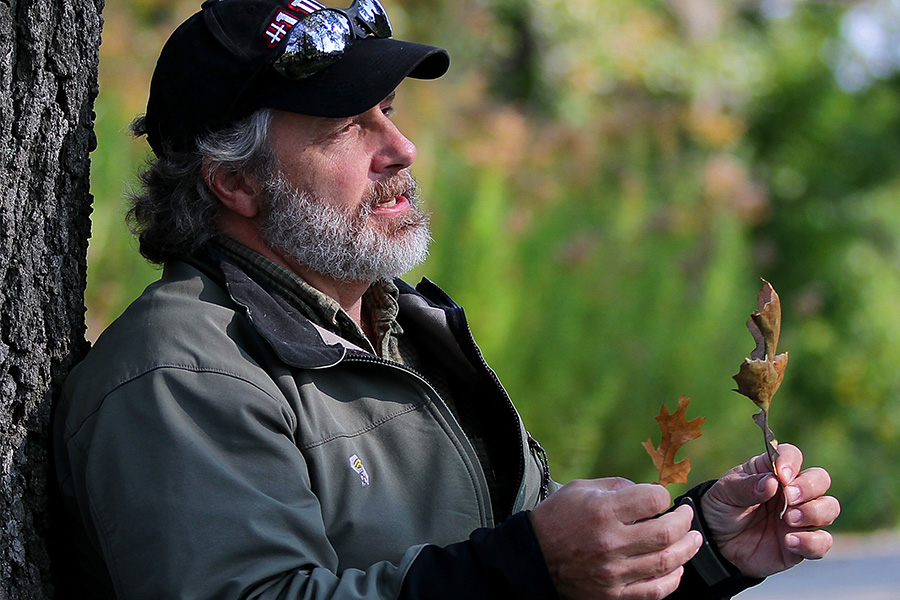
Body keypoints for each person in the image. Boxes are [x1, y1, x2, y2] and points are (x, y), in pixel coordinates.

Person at [53, 0, 840, 598]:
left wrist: (703, 545)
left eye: (387, 112)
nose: (400, 149)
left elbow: (532, 562)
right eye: (345, 128)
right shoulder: (182, 376)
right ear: (234, 181)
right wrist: (529, 568)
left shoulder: (410, 327)